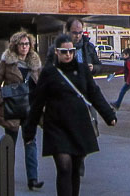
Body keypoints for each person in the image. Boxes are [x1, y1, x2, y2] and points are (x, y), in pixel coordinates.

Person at [23, 33, 116, 196]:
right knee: (64, 166)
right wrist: (29, 130)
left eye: (71, 51)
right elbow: (38, 102)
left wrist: (108, 115)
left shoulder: (81, 70)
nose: (68, 55)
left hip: (79, 125)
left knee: (75, 167)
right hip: (56, 126)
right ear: (57, 52)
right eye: (64, 52)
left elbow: (94, 93)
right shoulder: (49, 73)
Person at [0, 30, 43, 190]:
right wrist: (0, 100)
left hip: (30, 109)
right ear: (15, 45)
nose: (24, 47)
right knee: (10, 143)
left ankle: (33, 179)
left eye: (27, 44)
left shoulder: (35, 63)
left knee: (31, 142)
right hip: (12, 108)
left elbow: (42, 84)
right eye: (21, 44)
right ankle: (7, 176)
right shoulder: (7, 61)